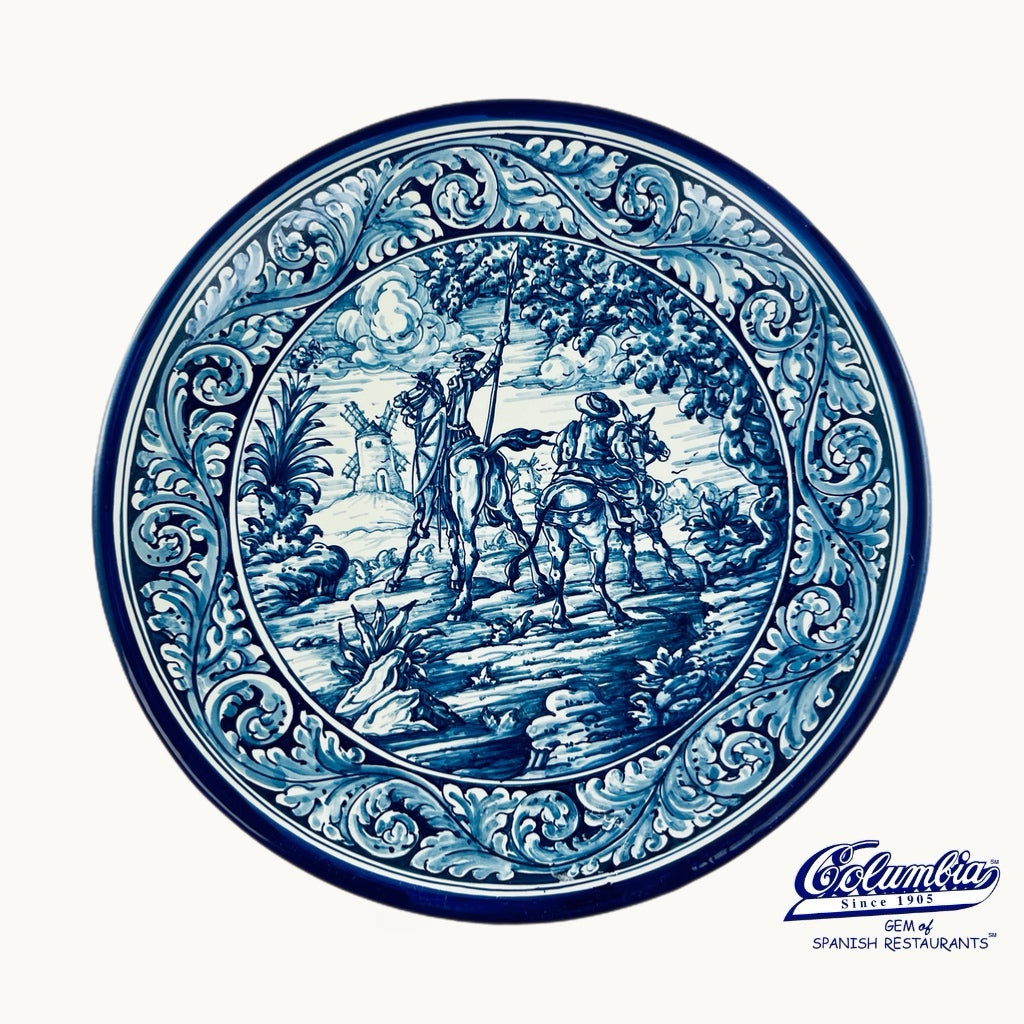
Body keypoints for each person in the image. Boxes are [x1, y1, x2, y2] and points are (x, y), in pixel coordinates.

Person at [553, 391, 643, 522]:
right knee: (631, 492)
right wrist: (632, 462)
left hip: (572, 468)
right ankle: (643, 522)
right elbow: (623, 455)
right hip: (601, 470)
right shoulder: (613, 428)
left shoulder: (572, 427)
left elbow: (558, 453)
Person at [445, 321, 509, 445]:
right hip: (447, 428)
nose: (464, 364)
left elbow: (490, 366)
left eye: (468, 361)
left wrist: (500, 342)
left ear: (472, 363)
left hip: (463, 430)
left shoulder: (472, 379)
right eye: (463, 361)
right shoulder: (455, 380)